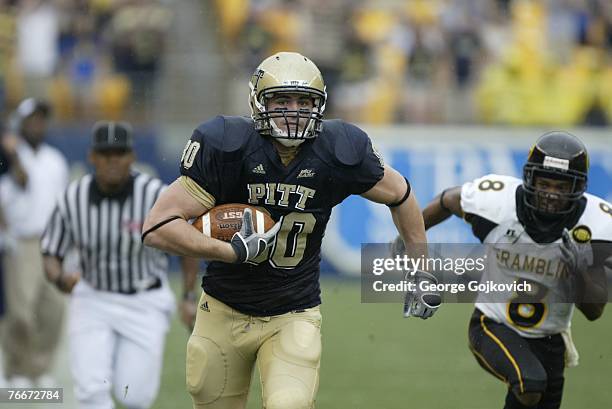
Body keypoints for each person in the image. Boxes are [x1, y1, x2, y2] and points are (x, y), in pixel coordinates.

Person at [142, 51, 429, 409]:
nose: (294, 111)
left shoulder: (338, 149)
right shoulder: (227, 145)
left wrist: (420, 266)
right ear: (258, 102)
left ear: (319, 106)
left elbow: (401, 194)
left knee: (289, 404)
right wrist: (229, 251)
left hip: (293, 312)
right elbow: (157, 226)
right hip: (222, 307)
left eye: (304, 101)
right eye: (281, 100)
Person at [393, 131, 610, 409]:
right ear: (530, 178)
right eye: (545, 183)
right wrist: (409, 240)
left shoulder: (597, 225)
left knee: (537, 393)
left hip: (550, 341)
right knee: (529, 384)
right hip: (492, 325)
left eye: (561, 187)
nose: (551, 195)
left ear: (577, 189)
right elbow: (447, 200)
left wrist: (577, 269)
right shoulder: (499, 202)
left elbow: (594, 311)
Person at [40, 121, 199, 409]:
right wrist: (61, 278)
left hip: (145, 298)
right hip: (92, 296)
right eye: (105, 153)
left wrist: (188, 296)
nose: (112, 160)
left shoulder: (154, 195)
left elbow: (188, 244)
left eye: (119, 153)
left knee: (135, 396)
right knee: (90, 391)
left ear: (132, 156)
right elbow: (51, 251)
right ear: (92, 157)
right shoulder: (72, 198)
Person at [0, 97, 68, 387]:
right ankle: (18, 370)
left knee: (54, 310)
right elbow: (12, 189)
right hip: (22, 241)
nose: (38, 125)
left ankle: (40, 368)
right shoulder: (9, 158)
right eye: (32, 120)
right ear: (21, 124)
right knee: (21, 313)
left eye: (41, 120)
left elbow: (64, 205)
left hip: (52, 241)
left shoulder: (55, 159)